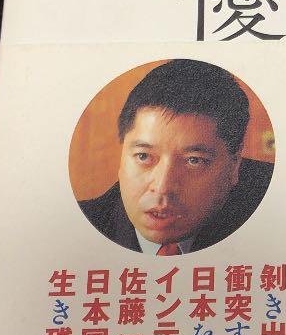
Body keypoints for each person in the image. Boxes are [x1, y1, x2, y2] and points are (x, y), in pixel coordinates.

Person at [78, 59, 272, 255]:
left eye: (193, 160)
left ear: (235, 164)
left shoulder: (276, 207)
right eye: (143, 156)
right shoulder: (81, 227)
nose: (163, 187)